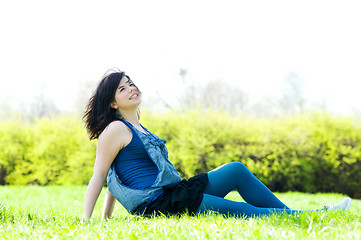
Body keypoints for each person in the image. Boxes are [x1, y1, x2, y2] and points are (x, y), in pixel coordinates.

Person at [82, 69, 352, 220]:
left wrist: (108, 219)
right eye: (122, 88)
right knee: (249, 213)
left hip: (174, 192)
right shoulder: (115, 130)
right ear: (113, 103)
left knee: (235, 169)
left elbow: (120, 179)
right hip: (162, 204)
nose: (131, 88)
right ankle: (313, 215)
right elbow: (101, 176)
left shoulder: (138, 127)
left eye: (131, 83)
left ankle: (293, 214)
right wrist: (88, 221)